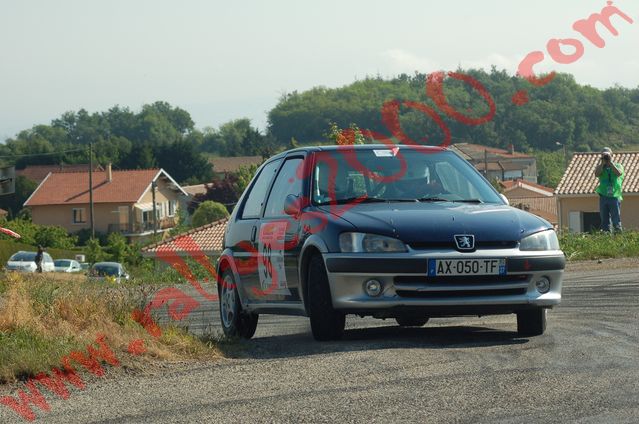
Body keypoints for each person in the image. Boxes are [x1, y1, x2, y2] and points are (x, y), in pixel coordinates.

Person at [594, 147, 624, 232]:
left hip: (614, 196)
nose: (606, 157)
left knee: (616, 219)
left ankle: (618, 236)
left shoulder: (618, 166)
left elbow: (618, 173)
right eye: (604, 155)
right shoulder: (600, 167)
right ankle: (606, 236)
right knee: (604, 220)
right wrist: (603, 163)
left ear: (612, 155)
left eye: (607, 155)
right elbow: (597, 174)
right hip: (603, 196)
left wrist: (610, 163)